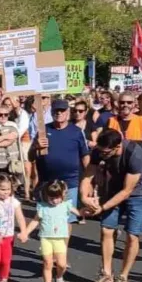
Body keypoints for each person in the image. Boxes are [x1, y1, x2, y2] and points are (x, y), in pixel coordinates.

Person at [80, 129, 142, 282]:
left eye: (106, 153)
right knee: (106, 230)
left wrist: (102, 208)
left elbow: (127, 191)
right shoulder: (99, 151)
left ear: (117, 147)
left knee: (132, 236)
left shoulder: (134, 154)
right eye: (100, 151)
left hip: (137, 193)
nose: (102, 156)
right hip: (112, 189)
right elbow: (88, 175)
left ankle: (123, 276)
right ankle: (106, 273)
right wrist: (84, 197)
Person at [31, 99, 90, 247]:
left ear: (68, 113)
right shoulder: (43, 130)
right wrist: (36, 147)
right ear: (51, 113)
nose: (59, 113)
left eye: (62, 110)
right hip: (47, 182)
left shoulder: (76, 132)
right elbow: (30, 156)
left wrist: (89, 179)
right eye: (56, 111)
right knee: (47, 217)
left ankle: (61, 252)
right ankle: (48, 249)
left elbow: (85, 156)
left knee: (67, 219)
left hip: (69, 182)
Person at [23, 180, 82, 282]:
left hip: (60, 239)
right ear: (46, 196)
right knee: (47, 263)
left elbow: (76, 211)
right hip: (46, 239)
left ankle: (59, 277)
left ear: (62, 195)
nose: (55, 201)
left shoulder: (65, 204)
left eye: (57, 198)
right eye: (51, 198)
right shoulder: (43, 207)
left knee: (62, 264)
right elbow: (35, 221)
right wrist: (26, 232)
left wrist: (81, 215)